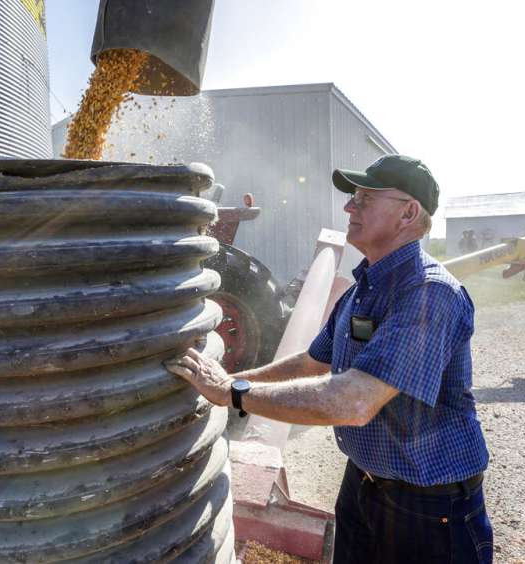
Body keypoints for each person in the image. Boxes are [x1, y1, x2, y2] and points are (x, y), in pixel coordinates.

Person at [165, 154, 492, 564]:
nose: (349, 207)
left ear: (409, 213)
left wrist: (233, 392)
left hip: (429, 508)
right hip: (362, 485)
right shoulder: (365, 286)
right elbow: (312, 361)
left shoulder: (429, 293)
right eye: (353, 197)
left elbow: (353, 402)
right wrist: (232, 378)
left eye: (365, 198)